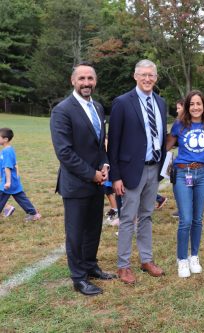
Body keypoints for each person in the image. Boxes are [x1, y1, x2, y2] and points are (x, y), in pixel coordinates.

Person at [49, 62, 115, 296]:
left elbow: (100, 145)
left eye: (90, 78)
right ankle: (79, 278)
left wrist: (105, 165)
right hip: (76, 184)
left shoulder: (97, 107)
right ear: (73, 81)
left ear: (95, 81)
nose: (86, 83)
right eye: (82, 79)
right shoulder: (62, 110)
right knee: (76, 233)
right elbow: (64, 152)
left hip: (97, 182)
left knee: (93, 229)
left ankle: (90, 266)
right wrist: (92, 173)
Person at [108, 59, 168, 284]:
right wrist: (116, 176)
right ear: (135, 76)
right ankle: (123, 265)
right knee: (127, 219)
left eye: (151, 75)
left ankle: (146, 259)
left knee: (147, 216)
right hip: (131, 171)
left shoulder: (161, 102)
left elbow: (160, 136)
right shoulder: (122, 102)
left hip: (154, 168)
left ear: (156, 77)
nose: (147, 79)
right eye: (143, 74)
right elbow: (113, 143)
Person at [166, 90, 204, 278]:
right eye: (192, 104)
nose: (195, 107)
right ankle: (182, 259)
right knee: (185, 219)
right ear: (187, 106)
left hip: (203, 174)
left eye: (199, 104)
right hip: (183, 173)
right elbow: (167, 146)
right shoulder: (180, 124)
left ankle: (194, 255)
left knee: (198, 219)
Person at [0, 128, 41, 222]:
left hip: (9, 181)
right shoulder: (5, 150)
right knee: (20, 197)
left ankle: (34, 214)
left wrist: (8, 182)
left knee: (5, 197)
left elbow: (8, 167)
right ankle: (34, 213)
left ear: (5, 139)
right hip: (9, 180)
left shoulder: (8, 151)